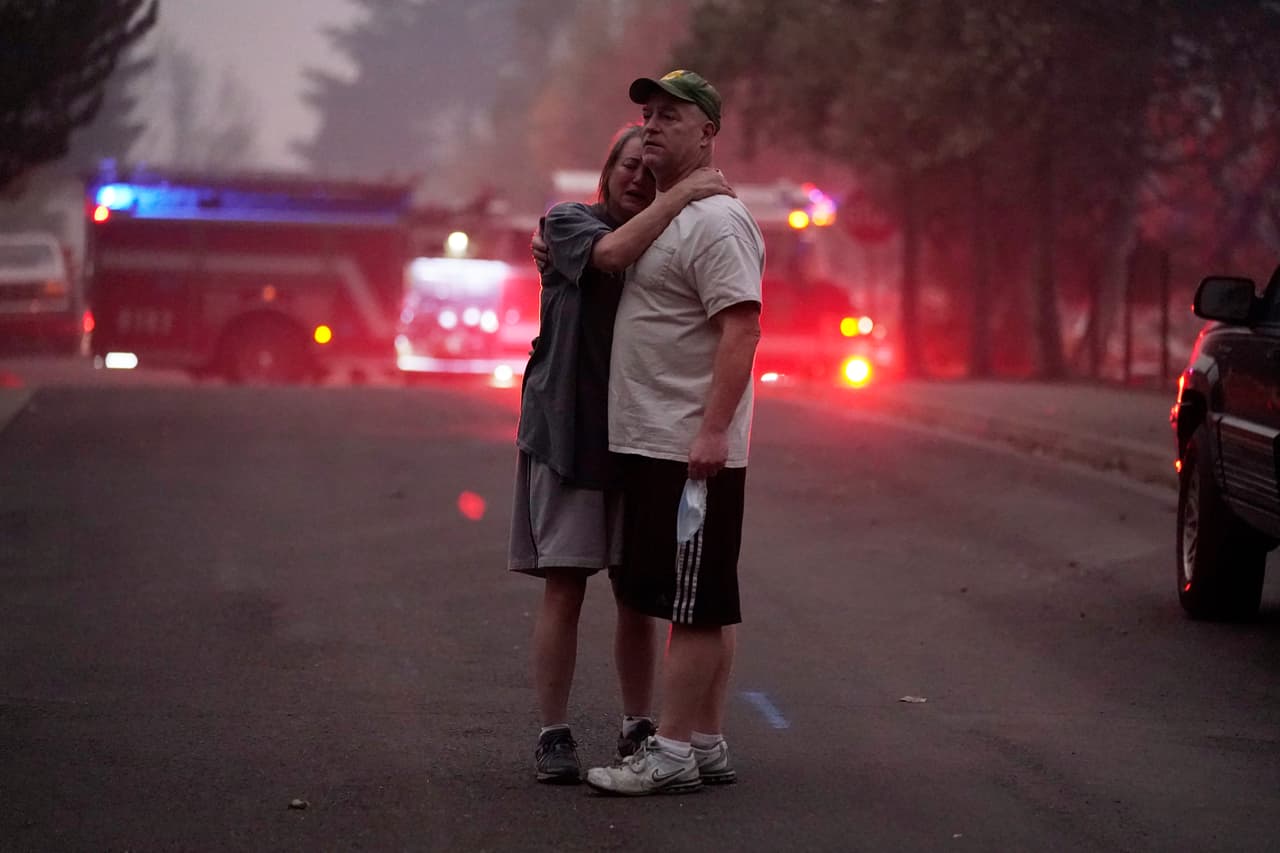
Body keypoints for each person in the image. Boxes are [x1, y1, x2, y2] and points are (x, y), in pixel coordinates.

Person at [509, 123, 733, 784]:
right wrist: (686, 190)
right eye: (628, 165)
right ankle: (554, 731)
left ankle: (639, 721)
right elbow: (609, 255)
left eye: (649, 168)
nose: (638, 176)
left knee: (636, 595)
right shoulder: (569, 223)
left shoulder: (668, 241)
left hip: (642, 440)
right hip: (568, 435)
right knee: (566, 583)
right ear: (606, 171)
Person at [584, 70, 765, 797]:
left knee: (695, 603)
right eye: (648, 114)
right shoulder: (671, 213)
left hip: (688, 445)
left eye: (671, 116)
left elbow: (742, 328)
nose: (653, 126)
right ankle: (708, 742)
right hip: (650, 439)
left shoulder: (719, 222)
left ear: (707, 132)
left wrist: (714, 431)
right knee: (693, 595)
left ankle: (672, 751)